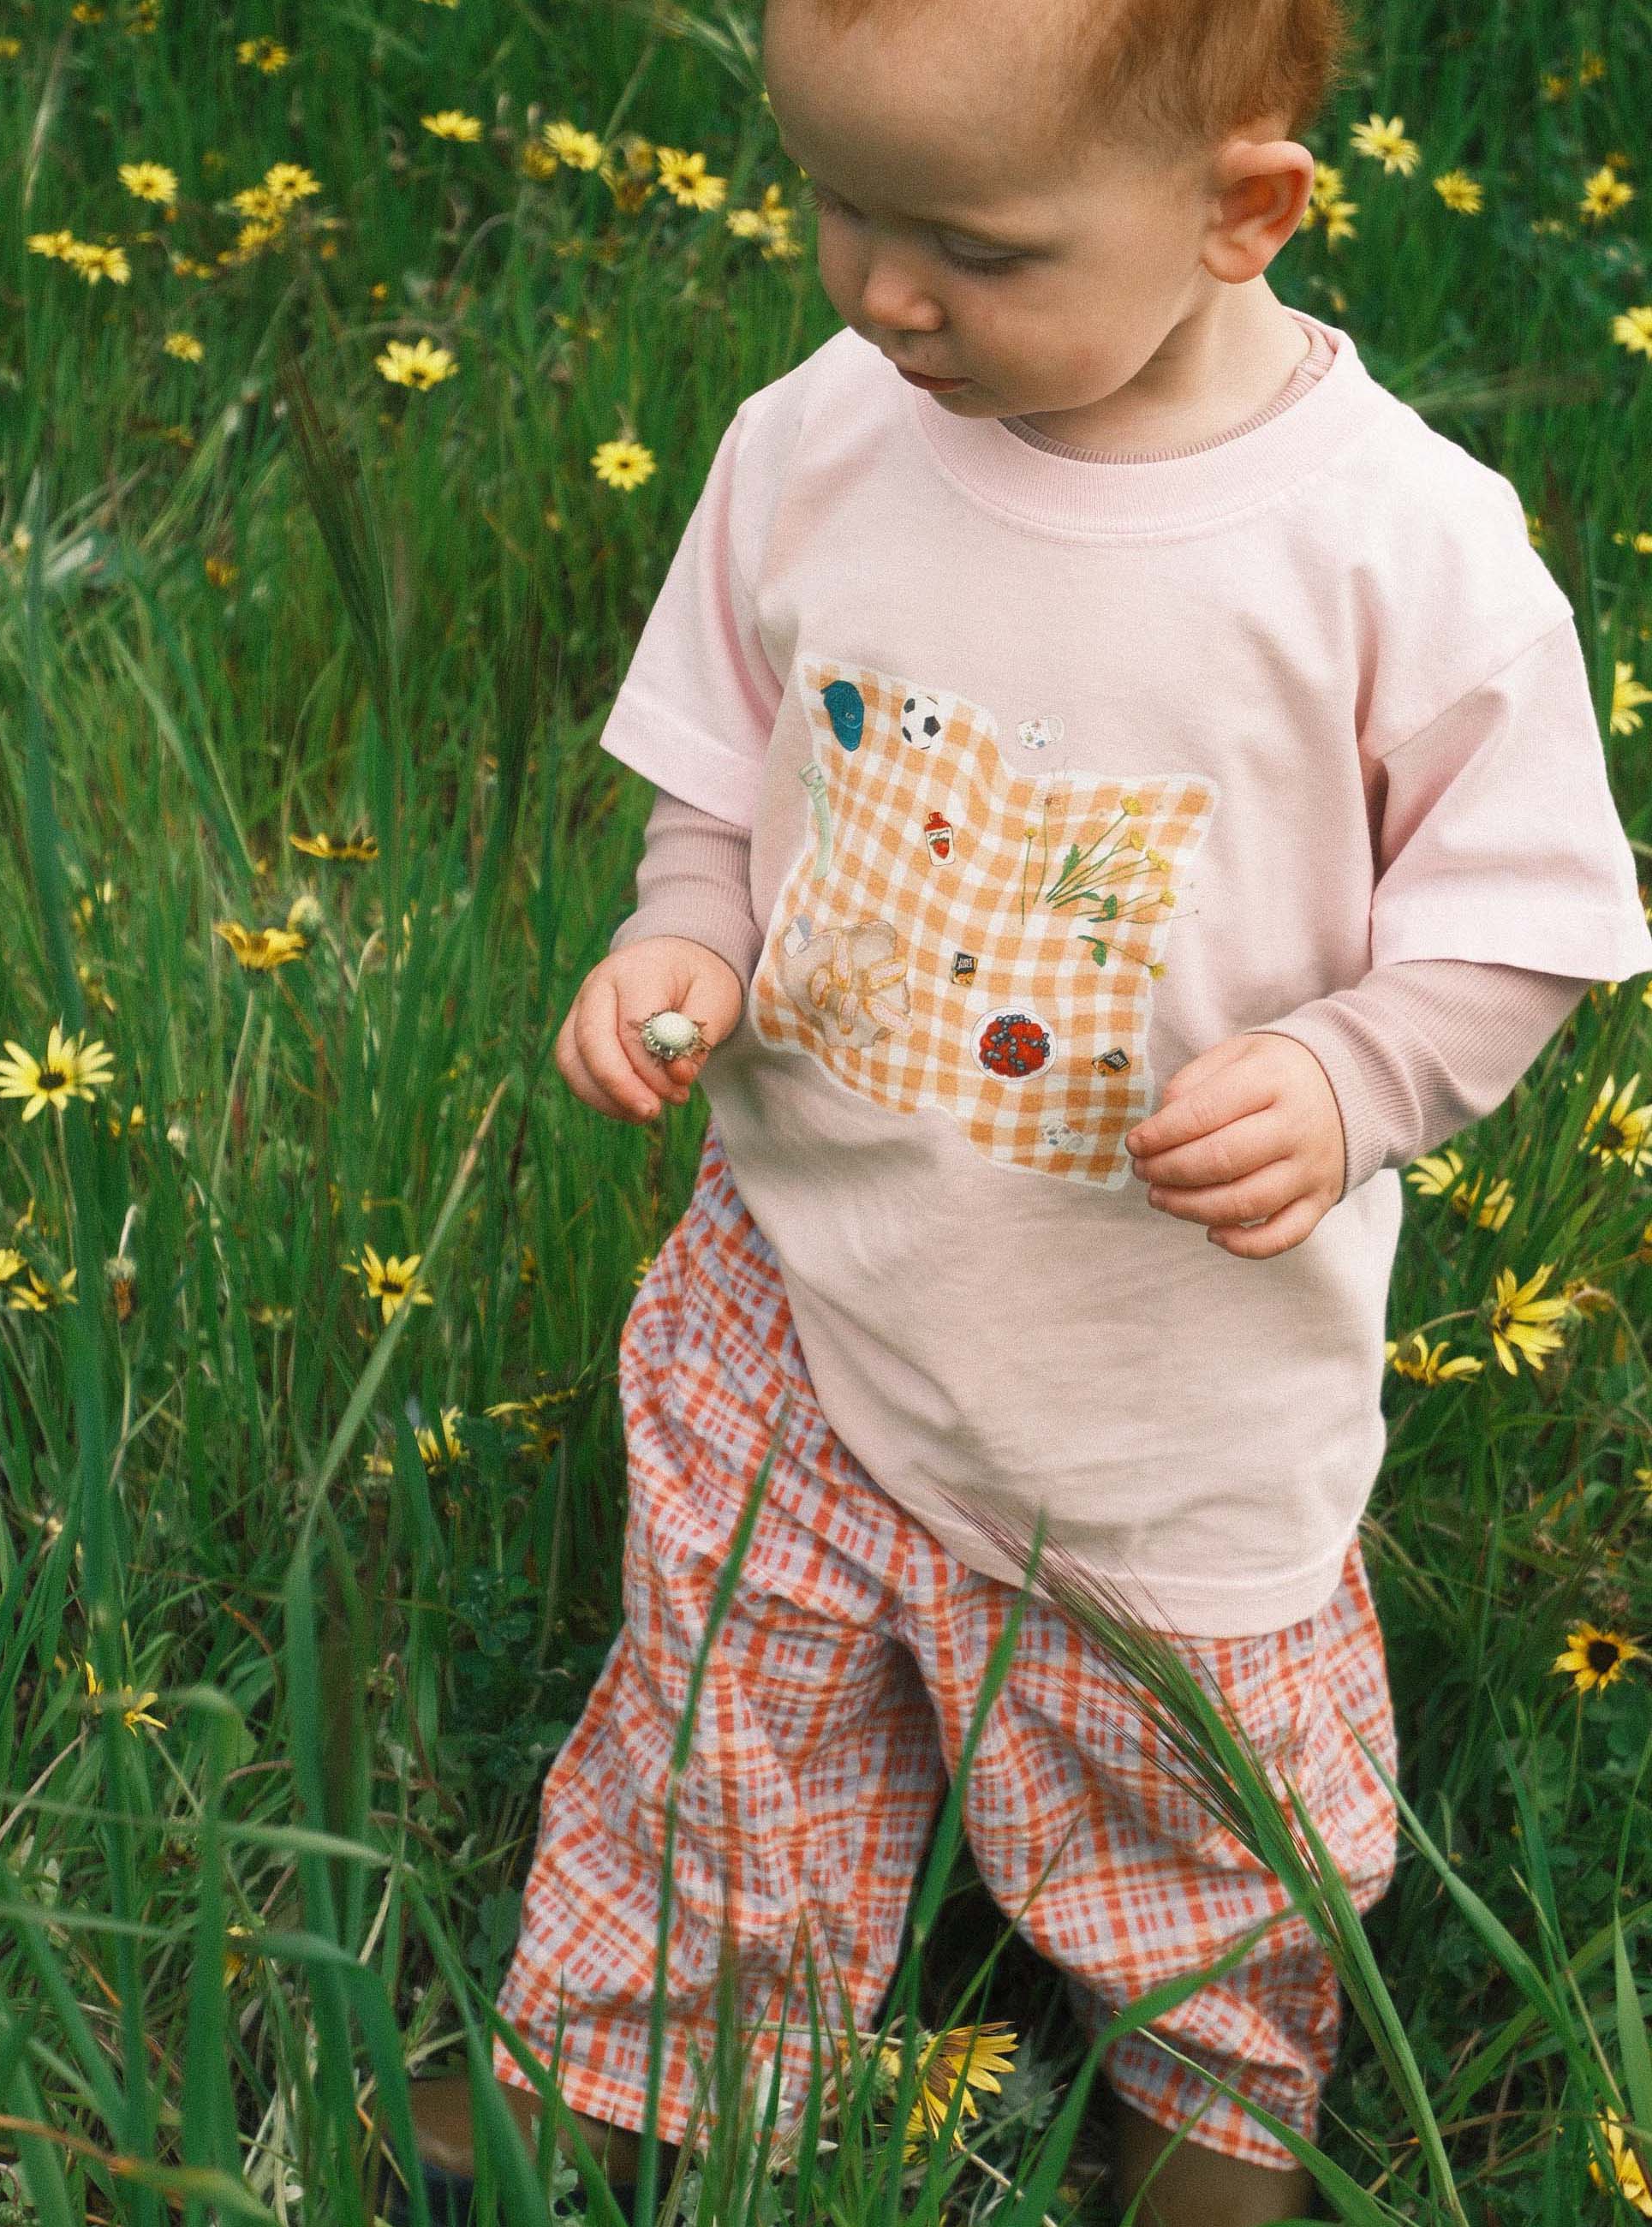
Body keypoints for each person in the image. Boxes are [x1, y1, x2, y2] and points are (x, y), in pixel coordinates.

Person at [389, 0, 1652, 2219]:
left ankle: (1210, 2118)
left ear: (1240, 208)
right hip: (806, 1278)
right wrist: (679, 940)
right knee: (726, 1722)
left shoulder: (1393, 544)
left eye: (967, 243)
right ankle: (638, 2053)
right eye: (837, 203)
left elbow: (1527, 908)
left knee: (1184, 1794)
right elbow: (724, 766)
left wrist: (1356, 1071)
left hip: (1159, 1379)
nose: (880, 290)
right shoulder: (821, 438)